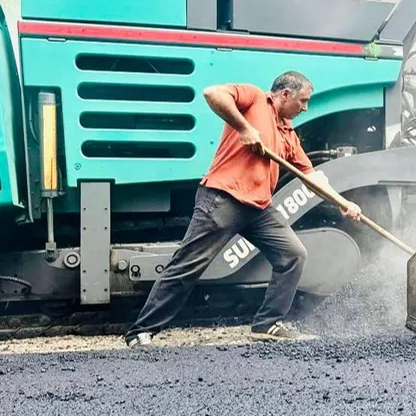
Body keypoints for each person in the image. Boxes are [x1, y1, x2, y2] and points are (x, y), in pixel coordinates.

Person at [123, 72, 362, 348]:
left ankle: (267, 324)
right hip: (223, 199)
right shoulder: (254, 98)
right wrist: (244, 129)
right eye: (303, 101)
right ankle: (140, 332)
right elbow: (212, 93)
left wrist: (344, 203)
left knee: (293, 255)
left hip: (259, 209)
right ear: (285, 94)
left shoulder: (288, 134)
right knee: (187, 265)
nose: (305, 108)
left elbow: (312, 178)